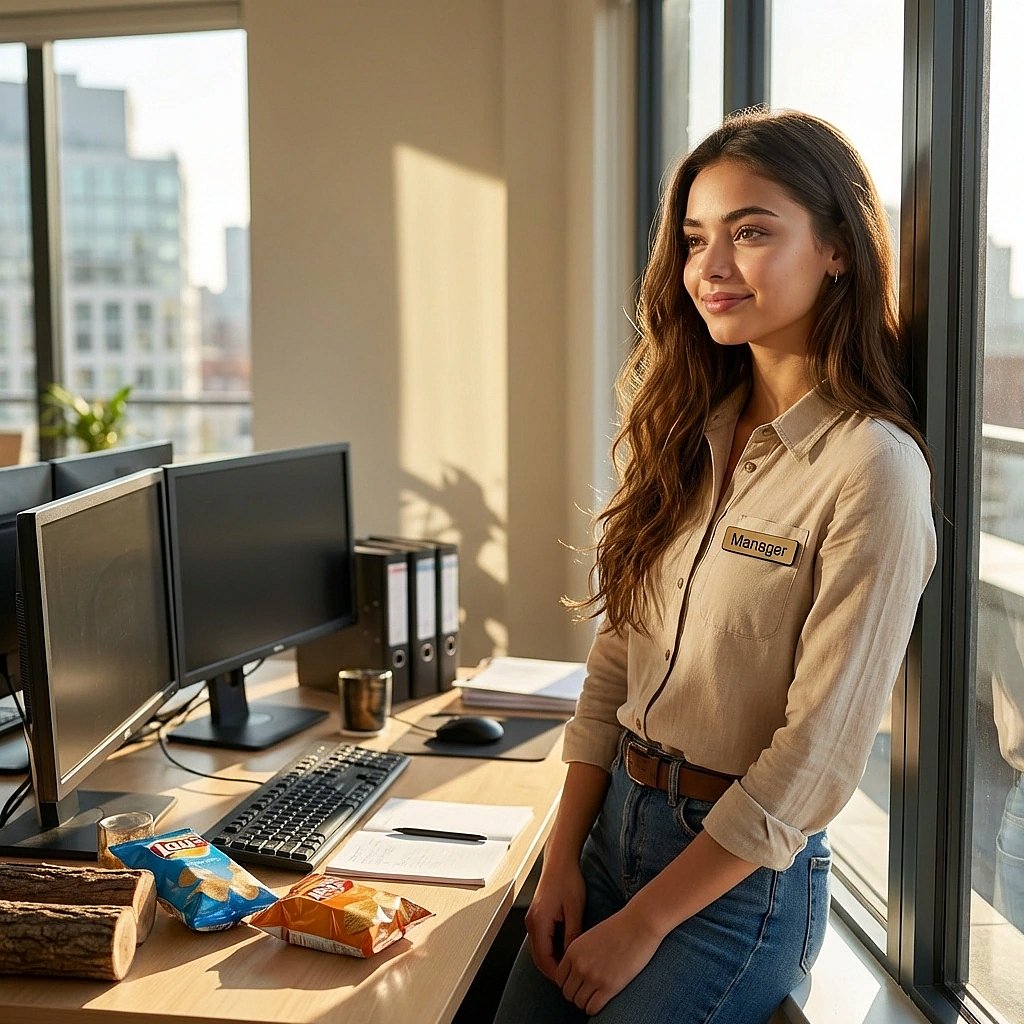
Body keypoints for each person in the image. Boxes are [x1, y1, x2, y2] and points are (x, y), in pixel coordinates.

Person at [493, 107, 937, 1024]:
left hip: (735, 888)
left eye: (752, 232)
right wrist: (561, 857)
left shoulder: (872, 468)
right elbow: (616, 665)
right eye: (696, 239)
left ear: (838, 249)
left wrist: (644, 922)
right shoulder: (684, 430)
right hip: (608, 830)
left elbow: (816, 758)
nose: (712, 267)